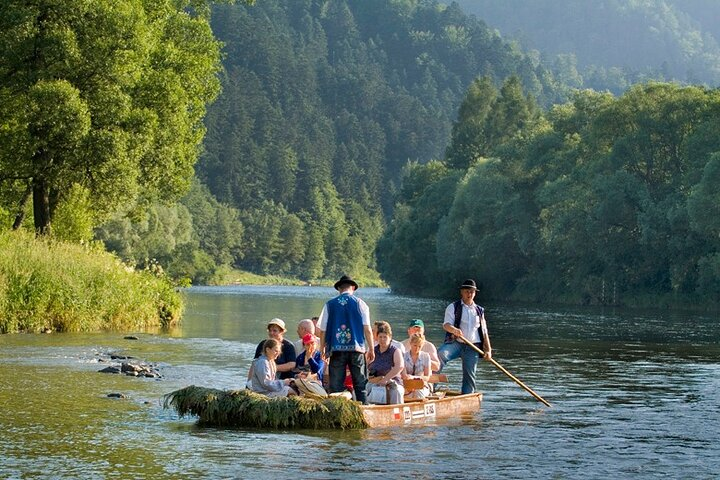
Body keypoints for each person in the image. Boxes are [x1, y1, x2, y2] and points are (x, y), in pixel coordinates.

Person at [318, 274, 374, 404]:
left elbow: (323, 330)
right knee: (360, 383)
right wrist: (371, 348)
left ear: (339, 289)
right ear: (353, 288)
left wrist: (322, 348)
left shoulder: (329, 305)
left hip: (336, 349)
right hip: (357, 348)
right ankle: (363, 408)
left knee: (336, 384)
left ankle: (336, 409)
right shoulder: (361, 304)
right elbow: (367, 329)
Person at [437, 279, 492, 394]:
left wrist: (488, 350)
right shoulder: (453, 307)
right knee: (440, 355)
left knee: (470, 375)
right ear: (461, 292)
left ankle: (467, 397)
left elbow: (484, 331)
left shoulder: (479, 311)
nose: (469, 294)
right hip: (455, 343)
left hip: (473, 347)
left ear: (475, 293)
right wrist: (454, 330)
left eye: (472, 292)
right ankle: (430, 386)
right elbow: (446, 325)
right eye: (467, 291)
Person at [367, 321, 404, 404]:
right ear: (377, 337)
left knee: (396, 391)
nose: (382, 340)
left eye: (385, 337)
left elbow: (399, 366)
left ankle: (396, 411)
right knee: (362, 389)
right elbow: (366, 365)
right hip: (375, 381)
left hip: (393, 382)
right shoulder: (373, 350)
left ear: (390, 337)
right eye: (380, 337)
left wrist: (386, 379)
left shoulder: (395, 351)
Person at [402, 333, 432, 400]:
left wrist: (414, 378)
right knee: (404, 393)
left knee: (418, 393)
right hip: (407, 384)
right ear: (410, 343)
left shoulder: (426, 356)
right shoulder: (404, 356)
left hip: (422, 385)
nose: (417, 348)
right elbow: (404, 375)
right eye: (415, 345)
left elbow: (427, 377)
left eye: (419, 346)